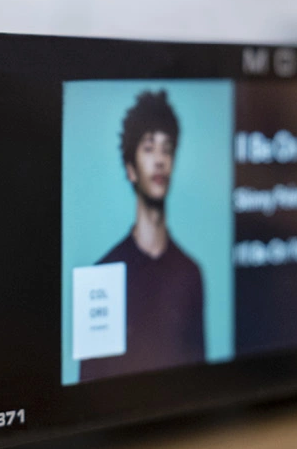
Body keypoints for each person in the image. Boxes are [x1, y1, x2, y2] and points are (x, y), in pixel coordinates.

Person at [79, 90, 205, 382]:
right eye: (149, 148)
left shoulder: (190, 272)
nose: (159, 160)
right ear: (131, 169)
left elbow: (200, 379)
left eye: (167, 149)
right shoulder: (102, 273)